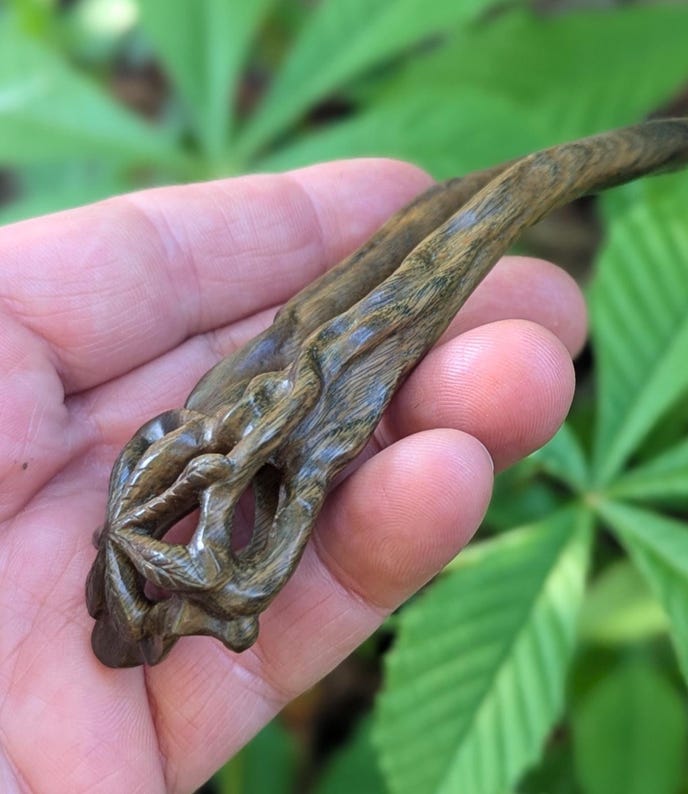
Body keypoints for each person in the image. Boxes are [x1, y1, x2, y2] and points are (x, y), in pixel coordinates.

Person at [0, 158, 586, 792]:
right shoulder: (240, 533)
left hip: (260, 419)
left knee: (470, 220)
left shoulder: (197, 465)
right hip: (282, 433)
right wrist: (225, 474)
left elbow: (189, 482)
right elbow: (236, 576)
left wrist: (227, 464)